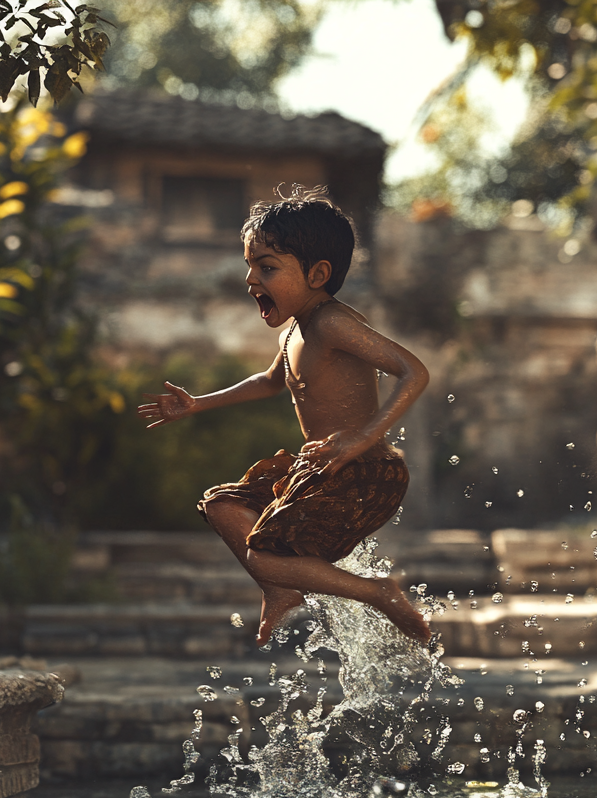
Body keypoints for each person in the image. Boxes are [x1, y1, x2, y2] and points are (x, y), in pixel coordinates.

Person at [137, 186, 432, 646]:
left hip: (362, 470)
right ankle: (278, 592)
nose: (252, 279)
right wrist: (198, 403)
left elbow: (414, 371)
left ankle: (379, 593)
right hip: (319, 468)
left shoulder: (333, 323)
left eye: (268, 267)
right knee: (223, 507)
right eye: (250, 266)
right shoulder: (295, 329)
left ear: (317, 274)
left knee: (266, 554)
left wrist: (361, 440)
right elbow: (270, 382)